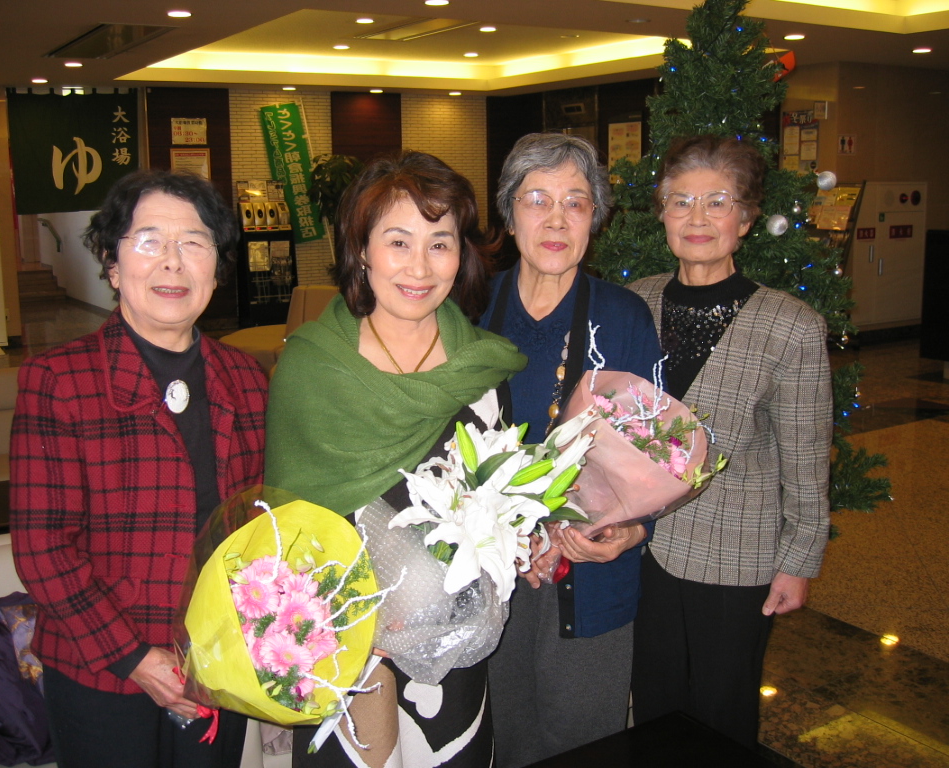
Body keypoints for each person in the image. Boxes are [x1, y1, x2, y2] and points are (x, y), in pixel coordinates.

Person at [264, 151, 526, 767]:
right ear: (362, 249)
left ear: (462, 254)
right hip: (344, 648)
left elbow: (501, 512)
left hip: (452, 649)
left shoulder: (482, 370)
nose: (419, 266)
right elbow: (285, 528)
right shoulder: (311, 369)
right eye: (398, 241)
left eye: (440, 244)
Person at [10, 170, 268, 768]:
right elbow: (42, 547)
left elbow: (259, 525)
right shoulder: (59, 380)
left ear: (217, 268)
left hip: (217, 664)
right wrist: (135, 658)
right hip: (100, 669)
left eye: (194, 242)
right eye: (149, 241)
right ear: (112, 262)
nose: (172, 262)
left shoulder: (248, 379)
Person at [628, 134, 832, 748]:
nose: (697, 218)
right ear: (662, 214)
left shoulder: (791, 326)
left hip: (736, 554)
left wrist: (798, 561)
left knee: (722, 710)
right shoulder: (634, 304)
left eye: (717, 203)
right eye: (681, 201)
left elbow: (805, 458)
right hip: (638, 548)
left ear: (744, 220)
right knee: (652, 700)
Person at [479, 132, 662, 768]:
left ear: (595, 219)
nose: (556, 219)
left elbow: (657, 451)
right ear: (509, 215)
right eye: (537, 200)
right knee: (504, 737)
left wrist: (633, 527)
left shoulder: (624, 316)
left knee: (586, 739)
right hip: (488, 574)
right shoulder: (469, 309)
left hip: (589, 571)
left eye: (576, 203)